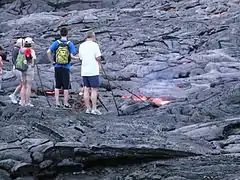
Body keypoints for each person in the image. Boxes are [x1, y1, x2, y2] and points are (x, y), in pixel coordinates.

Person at [47, 27, 78, 108]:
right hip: (66, 67)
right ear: (67, 34)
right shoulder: (69, 43)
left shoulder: (56, 43)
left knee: (57, 85)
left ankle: (57, 103)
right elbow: (72, 56)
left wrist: (52, 62)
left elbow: (48, 51)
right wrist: (79, 57)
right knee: (66, 86)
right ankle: (65, 103)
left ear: (60, 33)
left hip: (57, 66)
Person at [79, 31, 102, 115]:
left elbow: (80, 57)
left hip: (84, 70)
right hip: (93, 70)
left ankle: (88, 108)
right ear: (93, 36)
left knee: (86, 89)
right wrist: (99, 63)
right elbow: (98, 57)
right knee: (94, 89)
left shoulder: (82, 45)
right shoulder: (95, 45)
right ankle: (94, 108)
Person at [19, 37, 36, 107]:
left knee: (23, 85)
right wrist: (33, 65)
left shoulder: (21, 50)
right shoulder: (31, 50)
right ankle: (27, 102)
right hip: (29, 68)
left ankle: (22, 101)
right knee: (28, 86)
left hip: (22, 68)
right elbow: (34, 58)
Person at [9, 38, 24, 103]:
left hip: (18, 68)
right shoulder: (17, 49)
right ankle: (14, 96)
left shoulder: (16, 49)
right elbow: (14, 59)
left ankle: (16, 96)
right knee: (23, 84)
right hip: (17, 69)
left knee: (22, 84)